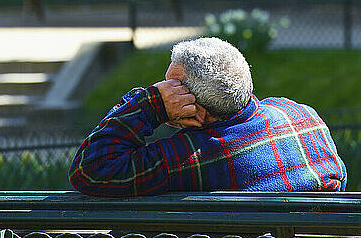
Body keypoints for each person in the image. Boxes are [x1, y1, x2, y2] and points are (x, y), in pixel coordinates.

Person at [69, 37, 347, 196]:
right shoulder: (302, 116)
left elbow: (90, 169)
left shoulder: (185, 157)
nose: (162, 90)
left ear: (197, 109)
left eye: (171, 87)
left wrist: (150, 105)